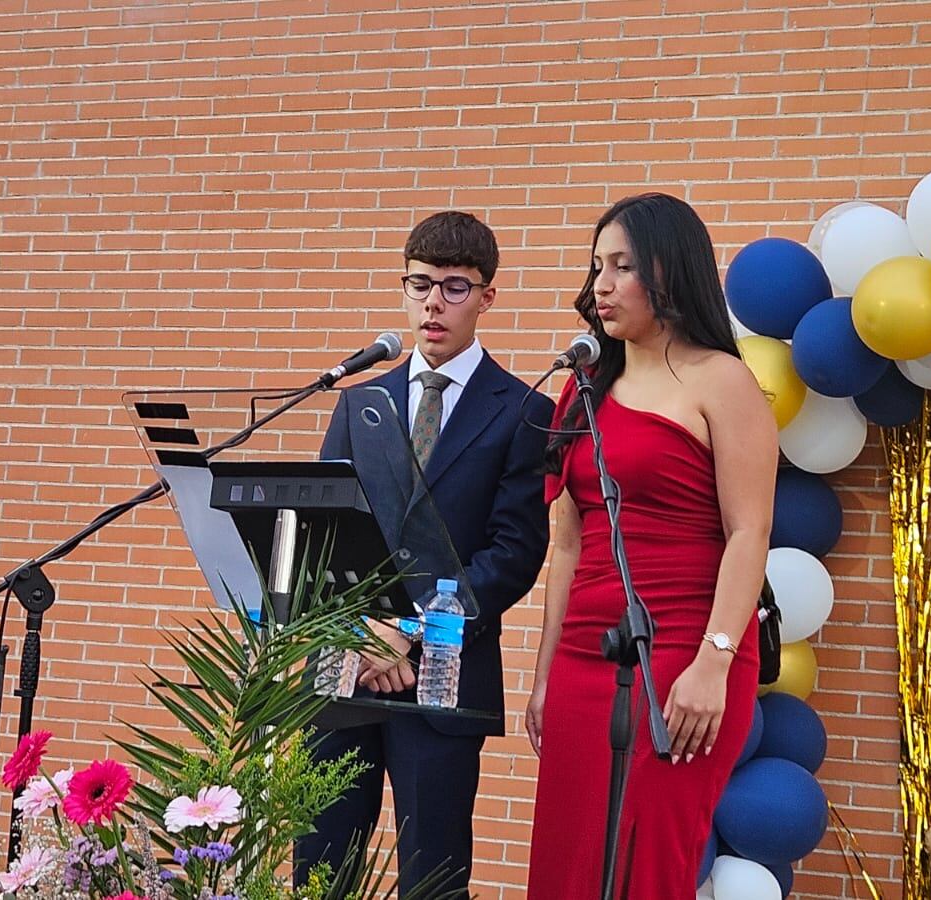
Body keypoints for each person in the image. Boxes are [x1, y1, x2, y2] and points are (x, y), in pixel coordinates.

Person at [525, 194, 778, 898]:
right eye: (596, 266)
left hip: (682, 653)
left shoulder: (722, 381)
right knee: (571, 860)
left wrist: (714, 663)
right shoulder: (579, 395)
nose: (601, 285)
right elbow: (568, 545)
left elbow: (749, 532)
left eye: (623, 266)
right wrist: (545, 673)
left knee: (648, 861)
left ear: (670, 271)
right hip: (583, 658)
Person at [295, 211, 553, 897]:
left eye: (454, 287)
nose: (433, 302)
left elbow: (514, 553)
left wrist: (408, 633)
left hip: (445, 674)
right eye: (419, 284)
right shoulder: (360, 401)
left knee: (431, 878)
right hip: (343, 671)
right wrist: (361, 631)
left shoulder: (523, 410)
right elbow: (326, 535)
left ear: (487, 297)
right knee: (320, 874)